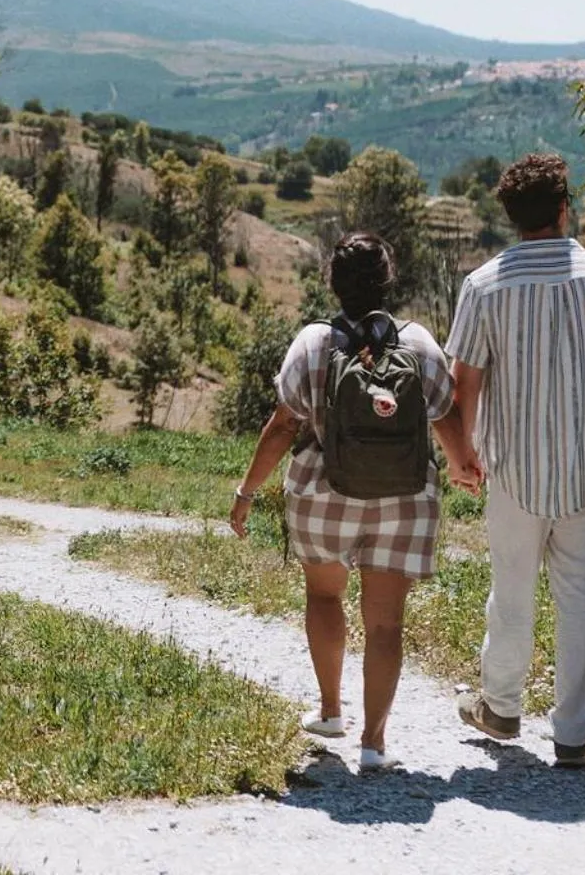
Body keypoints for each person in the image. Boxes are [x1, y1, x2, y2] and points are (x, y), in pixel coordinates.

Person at [229, 232, 480, 772]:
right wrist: (462, 465)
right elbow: (445, 414)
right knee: (386, 624)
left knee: (324, 597)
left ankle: (329, 710)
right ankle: (374, 742)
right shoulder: (419, 343)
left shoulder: (312, 343)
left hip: (324, 491)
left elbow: (281, 426)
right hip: (405, 499)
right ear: (389, 281)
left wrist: (247, 492)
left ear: (332, 283)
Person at [445, 153, 585, 768]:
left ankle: (502, 708)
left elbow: (467, 382)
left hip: (513, 469)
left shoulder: (484, 286)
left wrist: (466, 454)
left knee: (511, 591)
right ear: (565, 206)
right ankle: (571, 737)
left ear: (511, 217)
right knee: (582, 598)